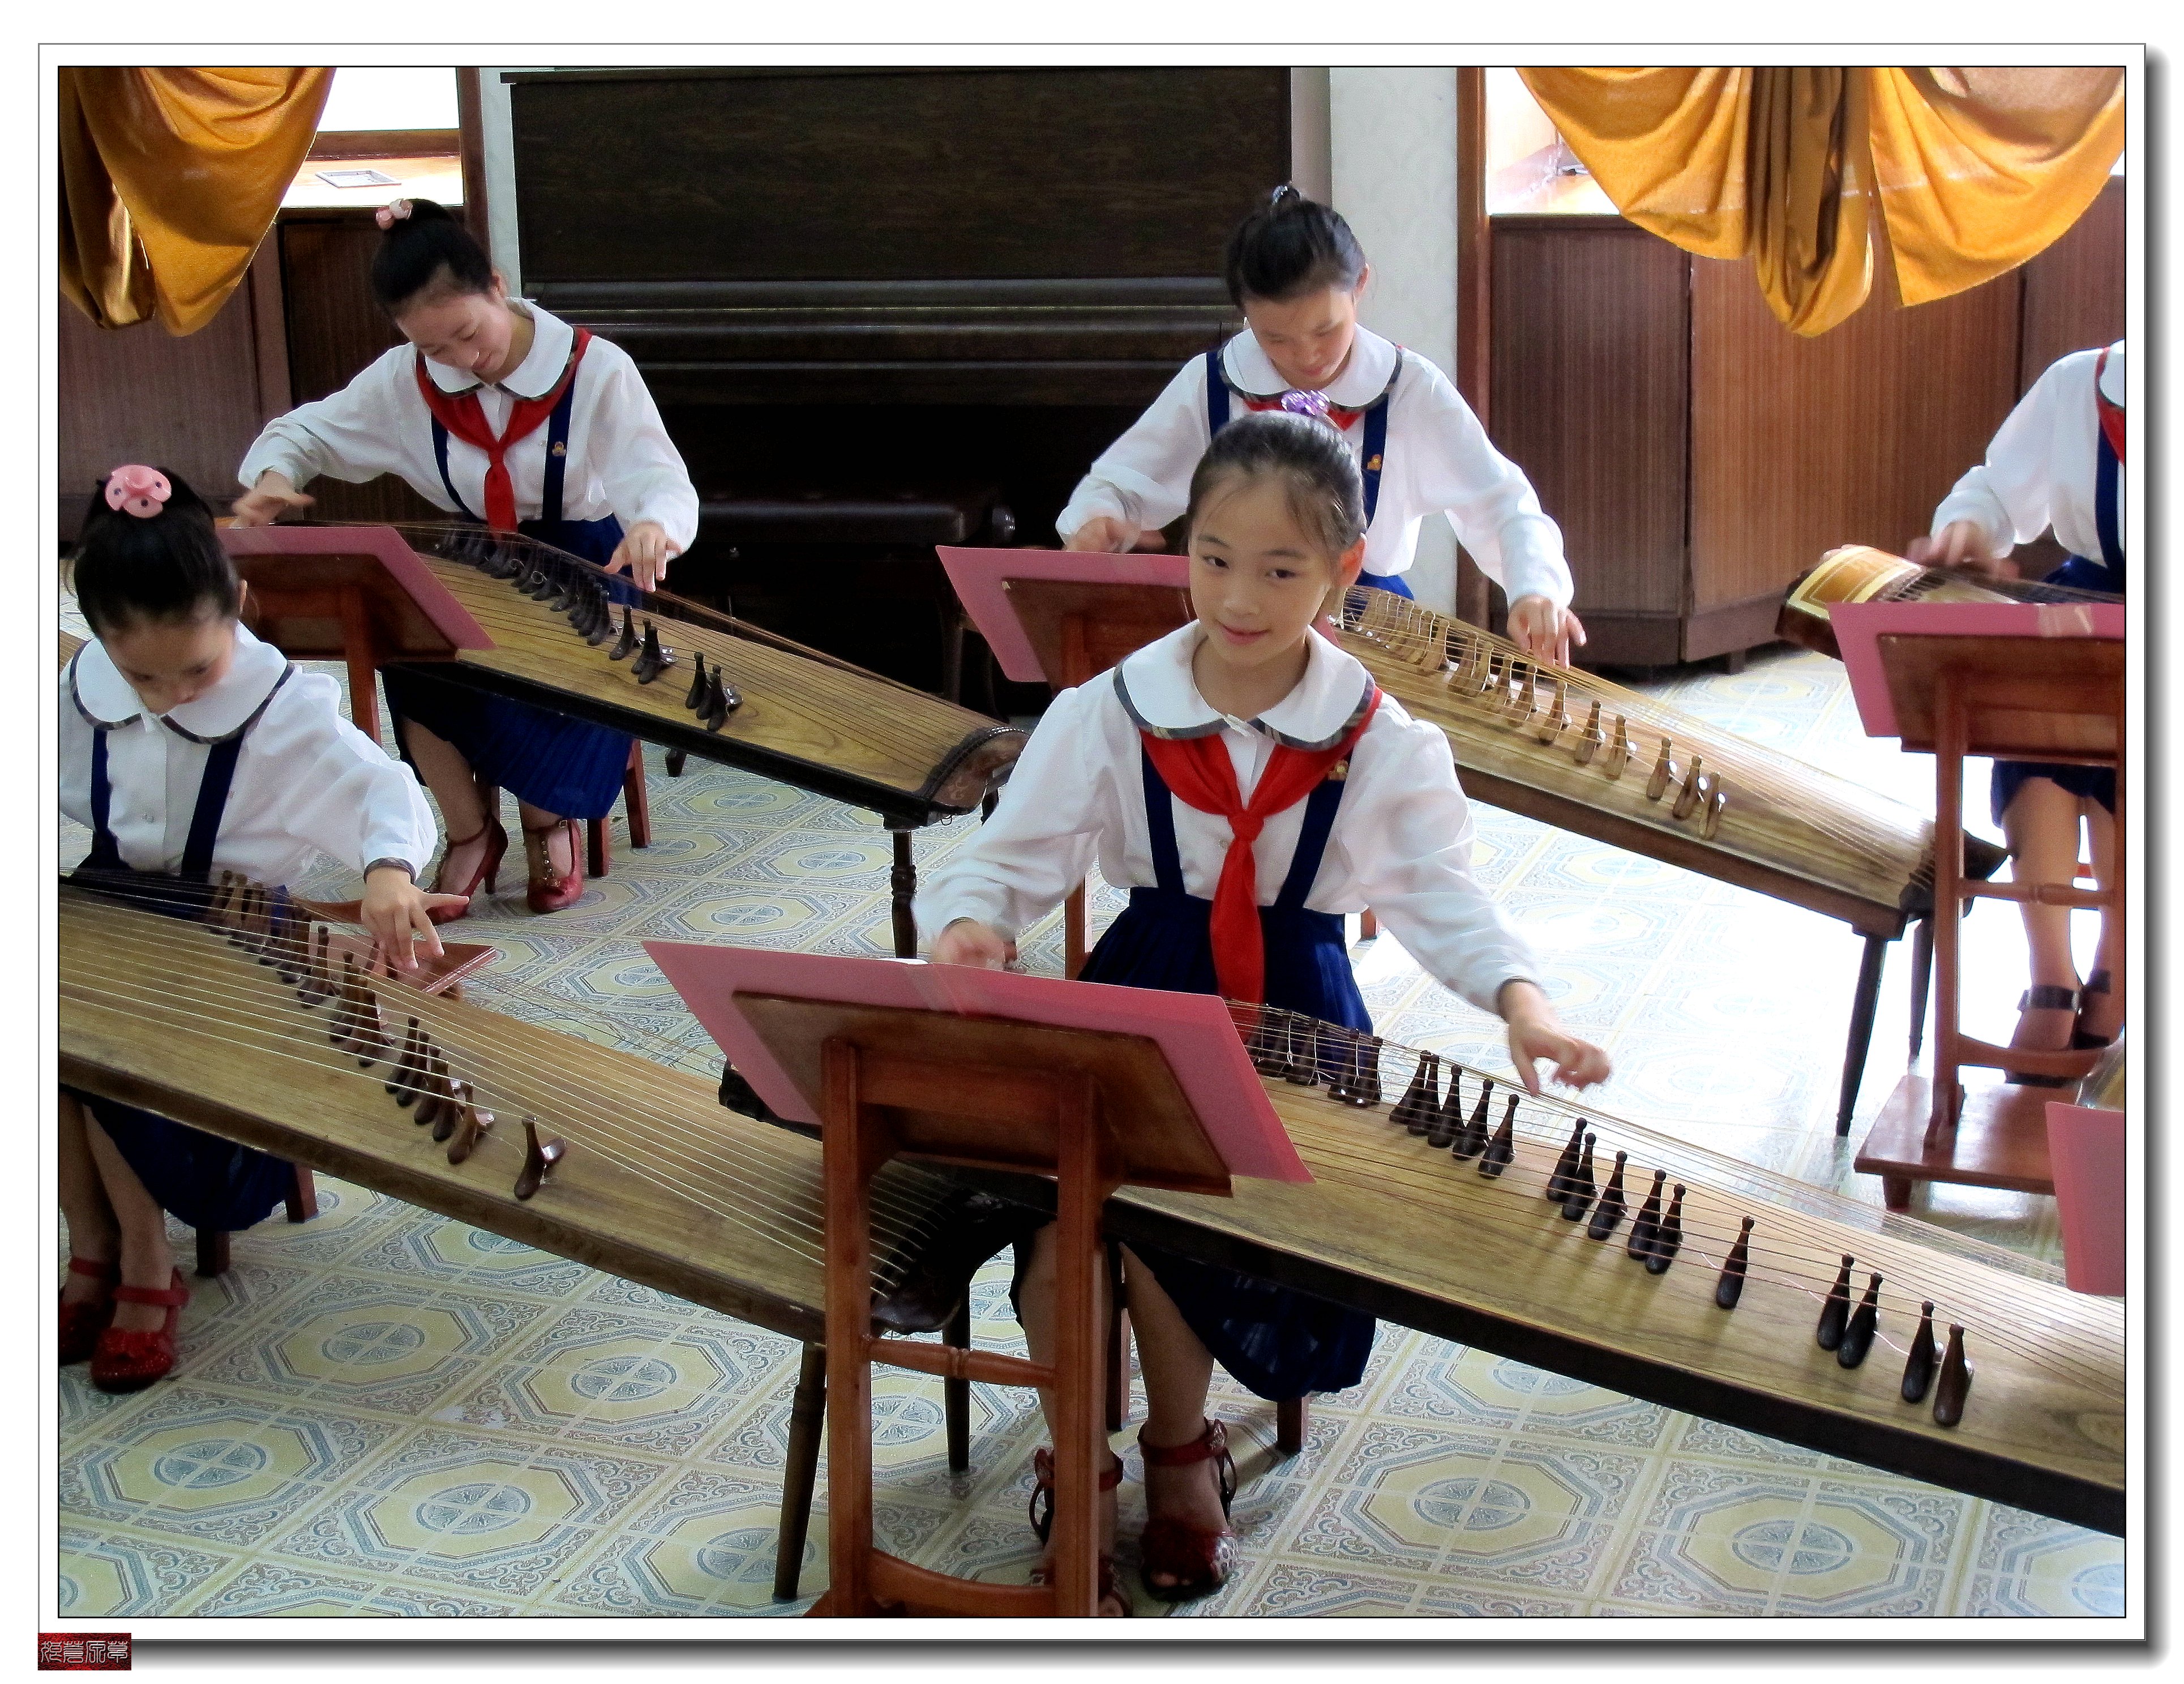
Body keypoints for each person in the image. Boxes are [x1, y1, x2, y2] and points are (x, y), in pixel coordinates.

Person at [920, 413, 1610, 1610]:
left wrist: (1523, 1003)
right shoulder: (1111, 708)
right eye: (1213, 557)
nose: (1239, 595)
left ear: (1345, 572)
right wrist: (974, 924)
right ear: (1181, 548)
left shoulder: (1381, 741)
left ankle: (1176, 1456)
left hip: (1298, 1014)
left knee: (1168, 1217)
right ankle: (1086, 1456)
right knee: (1077, 1202)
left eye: (1282, 569)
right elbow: (1012, 854)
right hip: (1143, 984)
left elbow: (1444, 895)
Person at [59, 466, 450, 1393]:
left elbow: (383, 790)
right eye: (138, 674)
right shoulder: (78, 687)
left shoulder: (285, 707)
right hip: (113, 906)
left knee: (98, 1035)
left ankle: (143, 1262)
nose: (166, 694)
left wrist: (389, 871)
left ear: (238, 602)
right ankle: (95, 1241)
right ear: (98, 641)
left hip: (236, 931)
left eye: (195, 668)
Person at [232, 198, 699, 917]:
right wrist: (273, 478)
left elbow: (657, 475)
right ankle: (471, 830)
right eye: (434, 348)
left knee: (551, 672)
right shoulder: (403, 382)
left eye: (467, 334)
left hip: (583, 563)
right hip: (473, 560)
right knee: (410, 650)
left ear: (498, 286)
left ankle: (548, 823)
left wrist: (653, 527)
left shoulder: (594, 368)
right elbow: (305, 432)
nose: (461, 359)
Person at [1058, 186, 1584, 664]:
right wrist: (1098, 518)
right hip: (1237, 620)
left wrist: (1534, 590)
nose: (1306, 356)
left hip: (1368, 624)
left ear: (1360, 287)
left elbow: (1502, 501)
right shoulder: (1214, 382)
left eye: (1325, 329)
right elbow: (1119, 485)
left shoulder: (1409, 389)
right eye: (1275, 338)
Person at [1909, 340, 2125, 1073]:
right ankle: (2051, 977)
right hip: (2081, 605)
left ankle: (2118, 968)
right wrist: (1967, 530)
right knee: (2034, 743)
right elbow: (1996, 491)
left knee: (2133, 765)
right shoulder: (2081, 382)